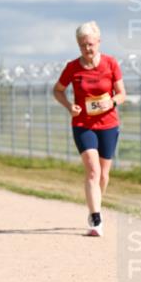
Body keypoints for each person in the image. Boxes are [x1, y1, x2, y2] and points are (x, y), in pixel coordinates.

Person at [53, 21, 126, 236]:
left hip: (109, 124)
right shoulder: (72, 68)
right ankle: (95, 219)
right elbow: (57, 90)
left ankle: (96, 207)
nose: (87, 49)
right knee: (93, 170)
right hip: (83, 124)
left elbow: (122, 93)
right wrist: (69, 106)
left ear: (98, 42)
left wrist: (111, 102)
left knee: (103, 175)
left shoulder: (111, 63)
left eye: (90, 44)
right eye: (82, 45)